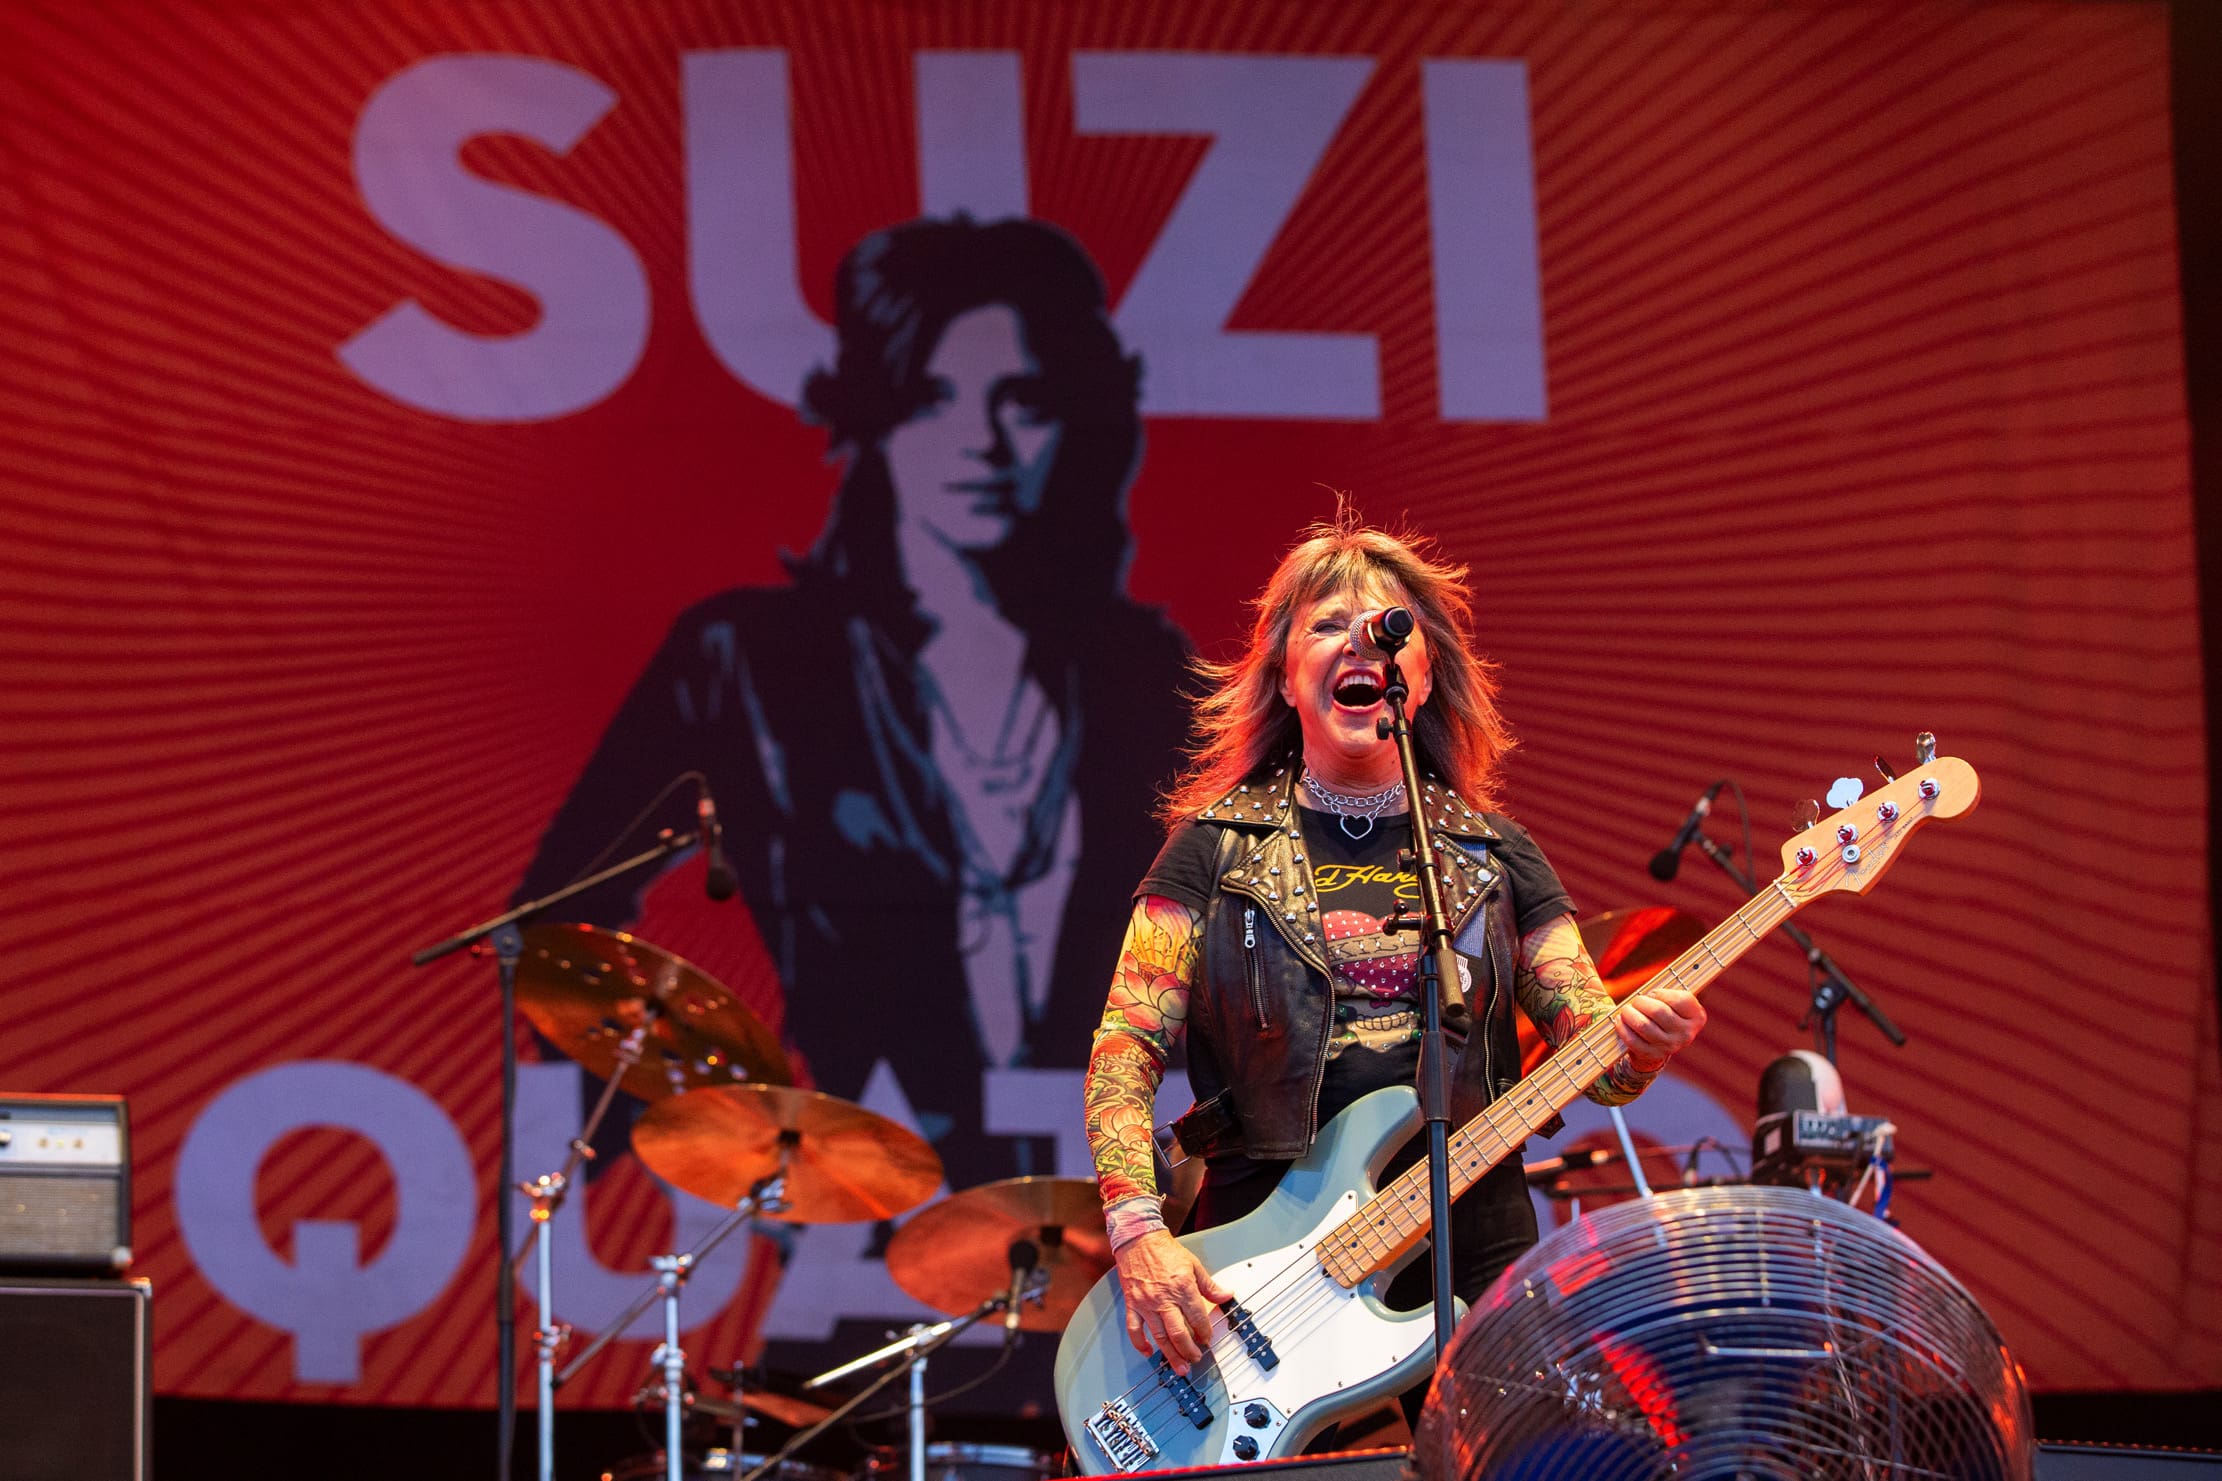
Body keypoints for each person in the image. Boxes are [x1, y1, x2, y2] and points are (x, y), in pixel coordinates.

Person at [518, 214, 1193, 1200]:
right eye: (933, 397)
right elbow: (557, 926)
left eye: (1023, 401)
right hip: (849, 1208)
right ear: (873, 413)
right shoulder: (748, 661)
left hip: (1099, 1215)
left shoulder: (1147, 675)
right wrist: (707, 1124)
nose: (981, 441)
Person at [1082, 515, 1707, 1376]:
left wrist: (1644, 1047)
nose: (1358, 643)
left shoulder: (1498, 856)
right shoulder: (1211, 849)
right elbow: (1124, 1048)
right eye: (1327, 625)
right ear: (1285, 676)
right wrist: (1137, 1230)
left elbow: (1602, 1064)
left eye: (1386, 626)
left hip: (1473, 1242)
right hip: (1267, 1268)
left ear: (1426, 671)